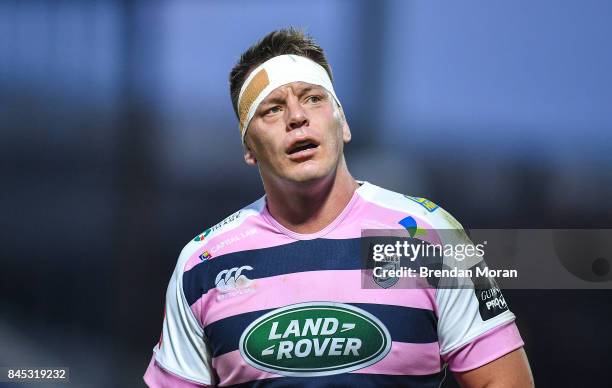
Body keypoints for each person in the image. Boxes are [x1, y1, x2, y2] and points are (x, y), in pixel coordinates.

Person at [144, 27, 533, 387]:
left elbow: (504, 380)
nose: (297, 117)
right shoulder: (202, 265)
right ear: (249, 148)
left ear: (342, 123)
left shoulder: (433, 234)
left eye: (313, 98)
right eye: (272, 109)